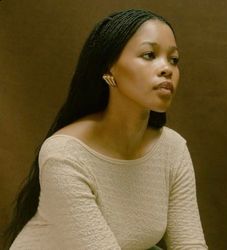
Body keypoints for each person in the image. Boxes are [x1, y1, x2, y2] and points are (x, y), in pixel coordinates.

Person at [4, 9, 208, 250]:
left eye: (173, 59)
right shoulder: (65, 154)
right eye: (149, 55)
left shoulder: (172, 149)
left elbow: (190, 245)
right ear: (109, 68)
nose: (167, 69)